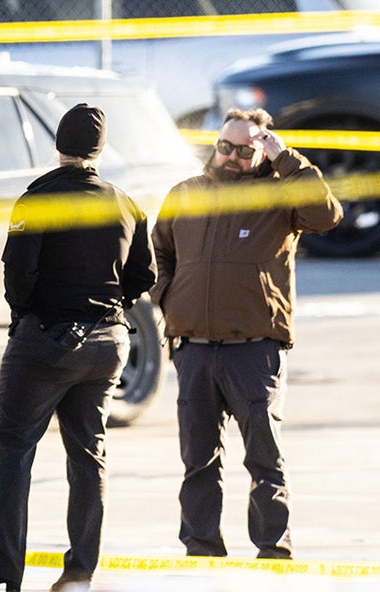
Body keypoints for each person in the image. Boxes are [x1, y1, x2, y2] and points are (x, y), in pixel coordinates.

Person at [151, 107, 342, 560]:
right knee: (197, 460)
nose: (232, 156)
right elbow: (159, 252)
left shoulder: (280, 195)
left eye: (244, 149)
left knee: (264, 459)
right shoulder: (186, 193)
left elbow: (326, 215)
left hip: (254, 350)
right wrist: (168, 298)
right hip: (194, 349)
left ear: (262, 152)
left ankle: (273, 551)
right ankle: (201, 549)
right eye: (225, 146)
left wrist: (287, 158)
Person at [0, 103, 155, 592]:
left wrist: (27, 316)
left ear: (58, 145)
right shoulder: (125, 203)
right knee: (88, 455)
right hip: (107, 341)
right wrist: (111, 306)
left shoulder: (38, 200)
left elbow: (18, 274)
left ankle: (8, 573)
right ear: (98, 151)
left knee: (13, 449)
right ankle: (80, 572)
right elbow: (144, 276)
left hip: (44, 340)